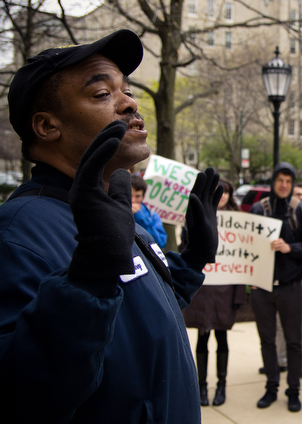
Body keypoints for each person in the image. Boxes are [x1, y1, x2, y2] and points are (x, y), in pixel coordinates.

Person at [0, 30, 223, 423]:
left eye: (128, 89)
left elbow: (140, 311)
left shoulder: (109, 213)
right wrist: (88, 278)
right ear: (47, 125)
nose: (130, 103)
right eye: (102, 94)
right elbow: (23, 396)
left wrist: (193, 258)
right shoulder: (17, 234)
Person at [249, 162, 302, 412]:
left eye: (288, 181)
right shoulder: (259, 209)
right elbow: (247, 246)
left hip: (290, 287)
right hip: (262, 288)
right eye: (280, 180)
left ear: (292, 184)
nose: (284, 185)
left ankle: (293, 390)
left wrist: (292, 248)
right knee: (267, 340)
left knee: (293, 341)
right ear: (273, 181)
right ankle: (271, 387)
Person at [182, 178, 245, 406]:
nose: (224, 196)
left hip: (225, 291)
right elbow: (185, 250)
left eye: (227, 192)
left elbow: (243, 261)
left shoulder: (241, 222)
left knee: (222, 336)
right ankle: (201, 388)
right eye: (221, 192)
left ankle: (221, 386)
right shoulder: (198, 216)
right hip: (204, 288)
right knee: (202, 336)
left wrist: (239, 295)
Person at [269, 182, 302, 379]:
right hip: (285, 281)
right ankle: (281, 360)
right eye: (298, 194)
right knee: (281, 323)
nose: (301, 198)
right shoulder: (282, 218)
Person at [131, 174, 167, 248]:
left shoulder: (152, 215)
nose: (133, 200)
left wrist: (139, 217)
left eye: (137, 196)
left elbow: (160, 243)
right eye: (130, 195)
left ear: (143, 197)